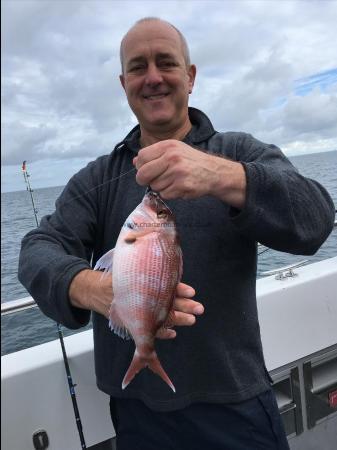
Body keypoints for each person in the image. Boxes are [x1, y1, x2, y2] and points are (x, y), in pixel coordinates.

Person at [19, 17, 335, 450]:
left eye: (166, 63)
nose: (152, 78)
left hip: (236, 401)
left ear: (190, 77)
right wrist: (96, 288)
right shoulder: (100, 176)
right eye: (138, 67)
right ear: (123, 82)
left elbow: (316, 219)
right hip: (136, 413)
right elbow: (36, 250)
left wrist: (224, 176)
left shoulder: (238, 152)